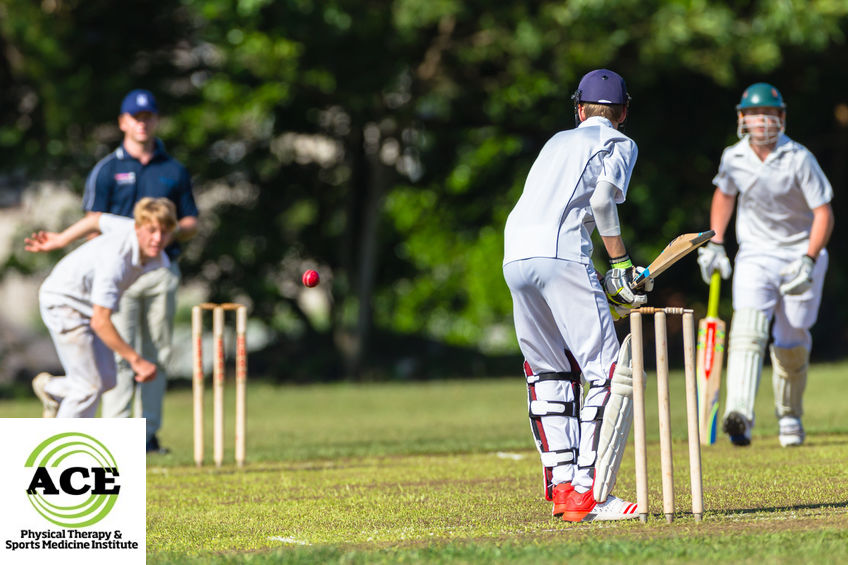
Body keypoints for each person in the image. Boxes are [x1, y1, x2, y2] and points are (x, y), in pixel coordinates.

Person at [502, 69, 652, 522]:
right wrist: (621, 265)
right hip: (562, 254)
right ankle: (590, 493)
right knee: (611, 373)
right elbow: (604, 203)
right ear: (623, 112)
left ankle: (563, 488)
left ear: (579, 108)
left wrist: (608, 281)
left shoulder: (555, 142)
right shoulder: (621, 143)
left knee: (549, 372)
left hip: (514, 256)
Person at [697, 82, 834, 447]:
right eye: (756, 114)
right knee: (747, 330)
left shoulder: (799, 158)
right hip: (755, 254)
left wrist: (808, 260)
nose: (763, 121)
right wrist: (715, 244)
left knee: (791, 340)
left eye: (770, 114)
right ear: (743, 118)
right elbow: (724, 195)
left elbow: (824, 214)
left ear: (781, 118)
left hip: (799, 254)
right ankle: (739, 414)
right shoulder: (733, 157)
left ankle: (789, 414)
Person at [82, 89, 198, 453]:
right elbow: (92, 220)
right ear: (123, 122)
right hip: (121, 274)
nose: (142, 123)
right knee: (119, 353)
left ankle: (147, 435)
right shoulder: (108, 169)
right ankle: (117, 439)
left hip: (161, 270)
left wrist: (165, 233)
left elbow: (191, 219)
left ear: (155, 120)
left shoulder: (173, 169)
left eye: (148, 117)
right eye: (135, 117)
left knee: (157, 352)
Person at [26, 198, 178, 419]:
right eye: (152, 230)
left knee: (107, 379)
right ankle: (58, 450)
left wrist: (61, 239)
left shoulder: (128, 228)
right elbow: (101, 321)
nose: (157, 238)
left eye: (164, 232)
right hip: (63, 303)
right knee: (87, 388)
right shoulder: (116, 262)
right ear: (138, 227)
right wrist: (137, 361)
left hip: (85, 305)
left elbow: (95, 220)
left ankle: (52, 390)